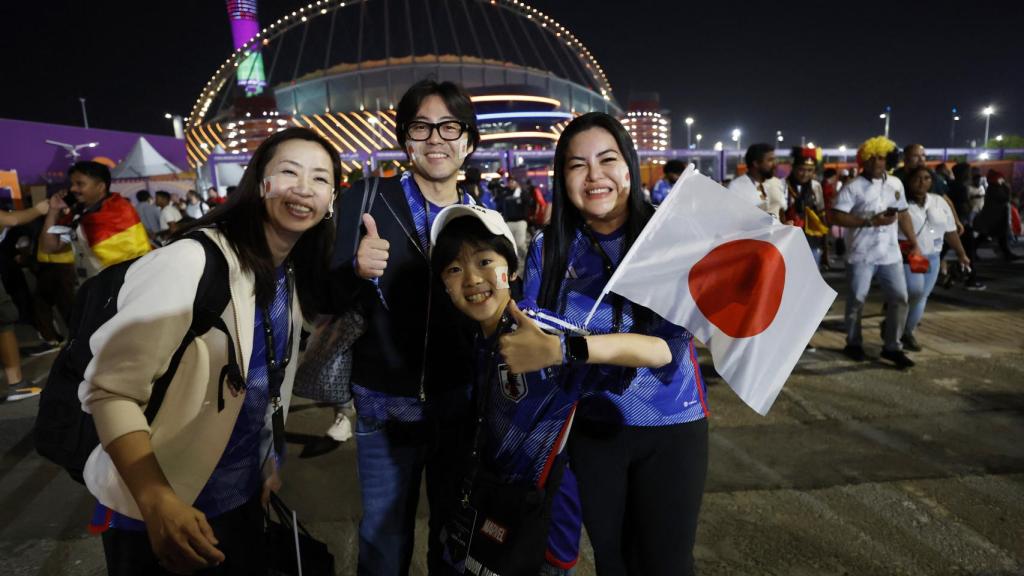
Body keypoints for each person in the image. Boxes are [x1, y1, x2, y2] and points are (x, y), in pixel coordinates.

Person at [82, 127, 338, 574]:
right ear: (260, 184)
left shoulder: (289, 276)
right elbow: (111, 392)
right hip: (156, 514)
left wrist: (264, 465)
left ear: (331, 199)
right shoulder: (190, 262)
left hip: (237, 501)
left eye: (320, 178)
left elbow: (262, 389)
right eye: (289, 172)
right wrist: (155, 498)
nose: (303, 187)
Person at [524, 112, 709, 575]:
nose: (594, 176)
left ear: (630, 167)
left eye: (607, 160)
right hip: (589, 431)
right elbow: (532, 337)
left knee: (667, 564)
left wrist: (570, 350)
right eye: (576, 165)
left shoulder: (668, 239)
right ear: (561, 176)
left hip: (671, 421)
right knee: (614, 562)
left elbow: (666, 346)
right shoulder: (547, 249)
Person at [329, 79, 481, 576]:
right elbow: (325, 297)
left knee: (452, 533)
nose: (436, 138)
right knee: (384, 535)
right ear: (405, 140)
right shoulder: (367, 199)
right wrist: (354, 269)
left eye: (449, 126)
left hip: (457, 402)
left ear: (469, 141)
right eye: (421, 126)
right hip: (383, 402)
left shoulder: (481, 218)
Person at [430, 205, 600, 575]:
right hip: (491, 517)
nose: (473, 279)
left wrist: (561, 349)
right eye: (454, 269)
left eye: (486, 261)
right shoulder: (476, 340)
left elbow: (653, 354)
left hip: (542, 529)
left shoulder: (539, 327)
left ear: (514, 267)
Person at [829, 136, 920, 369]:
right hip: (861, 254)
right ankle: (853, 343)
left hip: (890, 254)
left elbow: (903, 214)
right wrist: (870, 222)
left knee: (900, 299)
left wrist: (913, 241)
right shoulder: (853, 187)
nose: (878, 162)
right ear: (865, 160)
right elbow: (836, 216)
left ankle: (892, 346)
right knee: (857, 300)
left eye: (881, 157)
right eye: (874, 158)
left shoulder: (896, 185)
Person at [899, 166, 971, 352]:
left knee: (922, 296)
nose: (922, 182)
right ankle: (895, 325)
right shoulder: (901, 203)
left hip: (933, 257)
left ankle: (907, 332)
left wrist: (961, 254)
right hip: (910, 257)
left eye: (926, 178)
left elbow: (950, 231)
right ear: (909, 180)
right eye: (917, 178)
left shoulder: (939, 201)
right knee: (915, 291)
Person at [39, 162, 150, 279]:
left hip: (120, 287)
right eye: (72, 184)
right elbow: (49, 247)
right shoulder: (79, 214)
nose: (72, 188)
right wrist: (53, 210)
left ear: (100, 187)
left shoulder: (118, 212)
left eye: (80, 184)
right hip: (91, 287)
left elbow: (126, 263)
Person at [786, 147, 827, 267]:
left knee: (813, 274)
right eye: (801, 169)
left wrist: (824, 242)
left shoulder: (815, 186)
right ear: (793, 168)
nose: (805, 174)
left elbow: (821, 211)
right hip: (789, 239)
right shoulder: (783, 185)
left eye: (810, 170)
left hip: (811, 238)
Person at [728, 143, 787, 221]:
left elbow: (781, 212)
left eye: (774, 160)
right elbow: (734, 220)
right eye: (770, 160)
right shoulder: (736, 187)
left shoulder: (776, 182)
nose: (775, 164)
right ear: (756, 163)